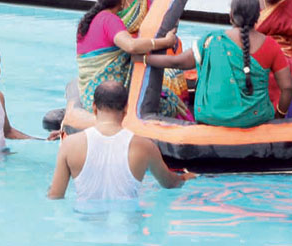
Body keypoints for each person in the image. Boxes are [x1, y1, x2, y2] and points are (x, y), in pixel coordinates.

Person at [146, 0, 292, 127]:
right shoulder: (271, 45)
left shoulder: (211, 41)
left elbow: (177, 62)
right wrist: (279, 116)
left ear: (231, 16)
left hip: (212, 117)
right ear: (258, 16)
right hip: (256, 118)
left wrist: (146, 59)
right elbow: (287, 88)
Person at [48, 81, 193, 200]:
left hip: (87, 228)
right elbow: (170, 183)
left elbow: (55, 195)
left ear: (94, 108)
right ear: (126, 109)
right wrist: (189, 176)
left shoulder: (69, 145)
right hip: (130, 230)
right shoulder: (145, 147)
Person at [76, 0, 186, 116]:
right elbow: (131, 46)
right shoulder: (109, 20)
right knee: (168, 104)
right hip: (106, 97)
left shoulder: (87, 20)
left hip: (89, 95)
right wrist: (165, 42)